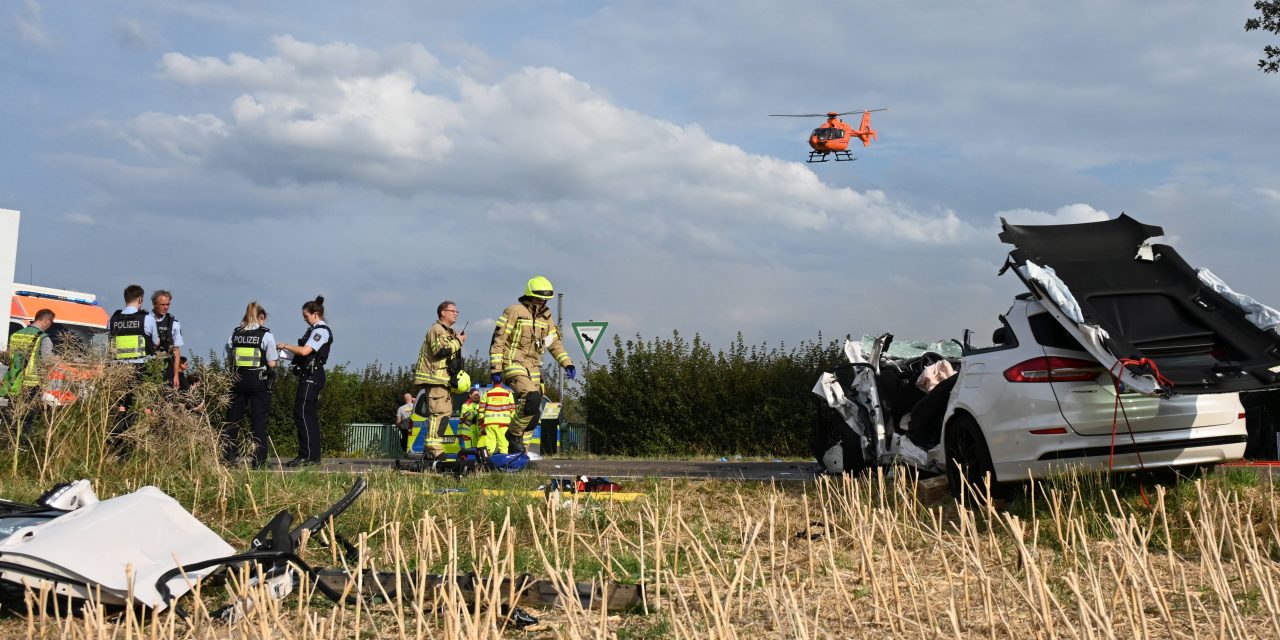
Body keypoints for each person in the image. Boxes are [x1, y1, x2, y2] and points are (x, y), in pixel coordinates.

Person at [489, 276, 575, 455]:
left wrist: (567, 363)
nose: (543, 302)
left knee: (534, 413)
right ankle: (513, 434)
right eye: (539, 298)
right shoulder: (514, 311)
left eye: (545, 299)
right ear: (530, 296)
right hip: (513, 362)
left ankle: (520, 453)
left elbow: (554, 344)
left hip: (534, 367)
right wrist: (496, 368)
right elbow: (499, 340)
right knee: (532, 398)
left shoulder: (547, 318)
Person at [277, 296, 332, 467]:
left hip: (312, 376)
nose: (304, 319)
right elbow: (300, 354)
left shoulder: (320, 331)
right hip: (309, 375)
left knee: (302, 413)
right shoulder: (313, 330)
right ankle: (312, 456)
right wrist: (277, 353)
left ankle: (306, 455)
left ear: (315, 314)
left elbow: (305, 351)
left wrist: (285, 345)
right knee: (307, 415)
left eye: (306, 316)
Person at [221, 301, 278, 468]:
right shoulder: (266, 335)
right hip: (258, 380)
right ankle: (259, 461)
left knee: (232, 421)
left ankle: (228, 458)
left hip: (237, 379)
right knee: (258, 421)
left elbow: (228, 358)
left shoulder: (235, 334)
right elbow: (272, 363)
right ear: (261, 317)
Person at [411, 300, 467, 459]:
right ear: (443, 312)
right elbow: (440, 350)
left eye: (457, 311)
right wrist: (458, 342)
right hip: (436, 379)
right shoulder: (436, 329)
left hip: (443, 381)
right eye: (453, 311)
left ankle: (432, 450)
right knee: (439, 413)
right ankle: (434, 448)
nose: (456, 313)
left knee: (444, 413)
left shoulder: (447, 331)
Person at [108, 284, 160, 446]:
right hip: (139, 367)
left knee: (119, 406)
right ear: (141, 299)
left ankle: (117, 441)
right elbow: (156, 342)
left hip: (117, 369)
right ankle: (132, 442)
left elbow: (108, 340)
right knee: (137, 405)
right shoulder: (147, 318)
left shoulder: (113, 319)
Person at [3, 308, 55, 443]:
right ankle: (21, 448)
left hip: (14, 383)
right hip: (31, 385)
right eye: (50, 323)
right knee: (27, 420)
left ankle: (8, 445)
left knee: (13, 417)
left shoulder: (16, 334)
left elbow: (10, 358)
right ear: (45, 320)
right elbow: (46, 361)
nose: (49, 326)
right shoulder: (43, 338)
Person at [150, 290, 184, 389]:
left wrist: (176, 375)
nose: (165, 307)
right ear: (154, 304)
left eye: (168, 304)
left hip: (167, 367)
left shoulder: (174, 323)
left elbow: (176, 350)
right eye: (162, 304)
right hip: (149, 364)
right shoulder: (146, 319)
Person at [478, 381, 516, 454]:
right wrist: (513, 422)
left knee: (489, 446)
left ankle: (488, 462)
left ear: (492, 382)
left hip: (489, 423)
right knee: (503, 445)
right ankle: (504, 463)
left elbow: (481, 410)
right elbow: (512, 410)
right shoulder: (508, 393)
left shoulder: (487, 393)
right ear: (502, 382)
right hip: (503, 424)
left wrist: (482, 421)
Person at [459, 386, 483, 450]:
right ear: (470, 395)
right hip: (467, 434)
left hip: (475, 433)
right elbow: (466, 416)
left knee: (475, 451)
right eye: (475, 395)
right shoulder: (465, 405)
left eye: (478, 395)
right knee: (466, 452)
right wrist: (476, 411)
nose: (477, 396)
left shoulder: (477, 405)